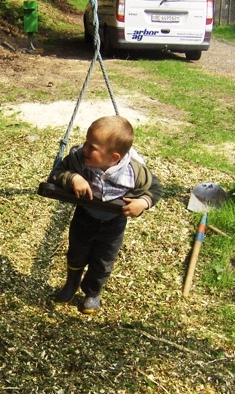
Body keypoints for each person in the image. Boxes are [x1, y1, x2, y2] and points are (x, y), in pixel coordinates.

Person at [47, 115, 163, 314]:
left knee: (103, 261)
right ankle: (71, 284)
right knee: (76, 253)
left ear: (114, 158)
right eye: (86, 142)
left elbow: (156, 189)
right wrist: (73, 178)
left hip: (114, 224)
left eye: (91, 147)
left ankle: (92, 292)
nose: (84, 148)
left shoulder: (135, 172)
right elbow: (57, 174)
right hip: (84, 217)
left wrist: (143, 202)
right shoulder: (79, 159)